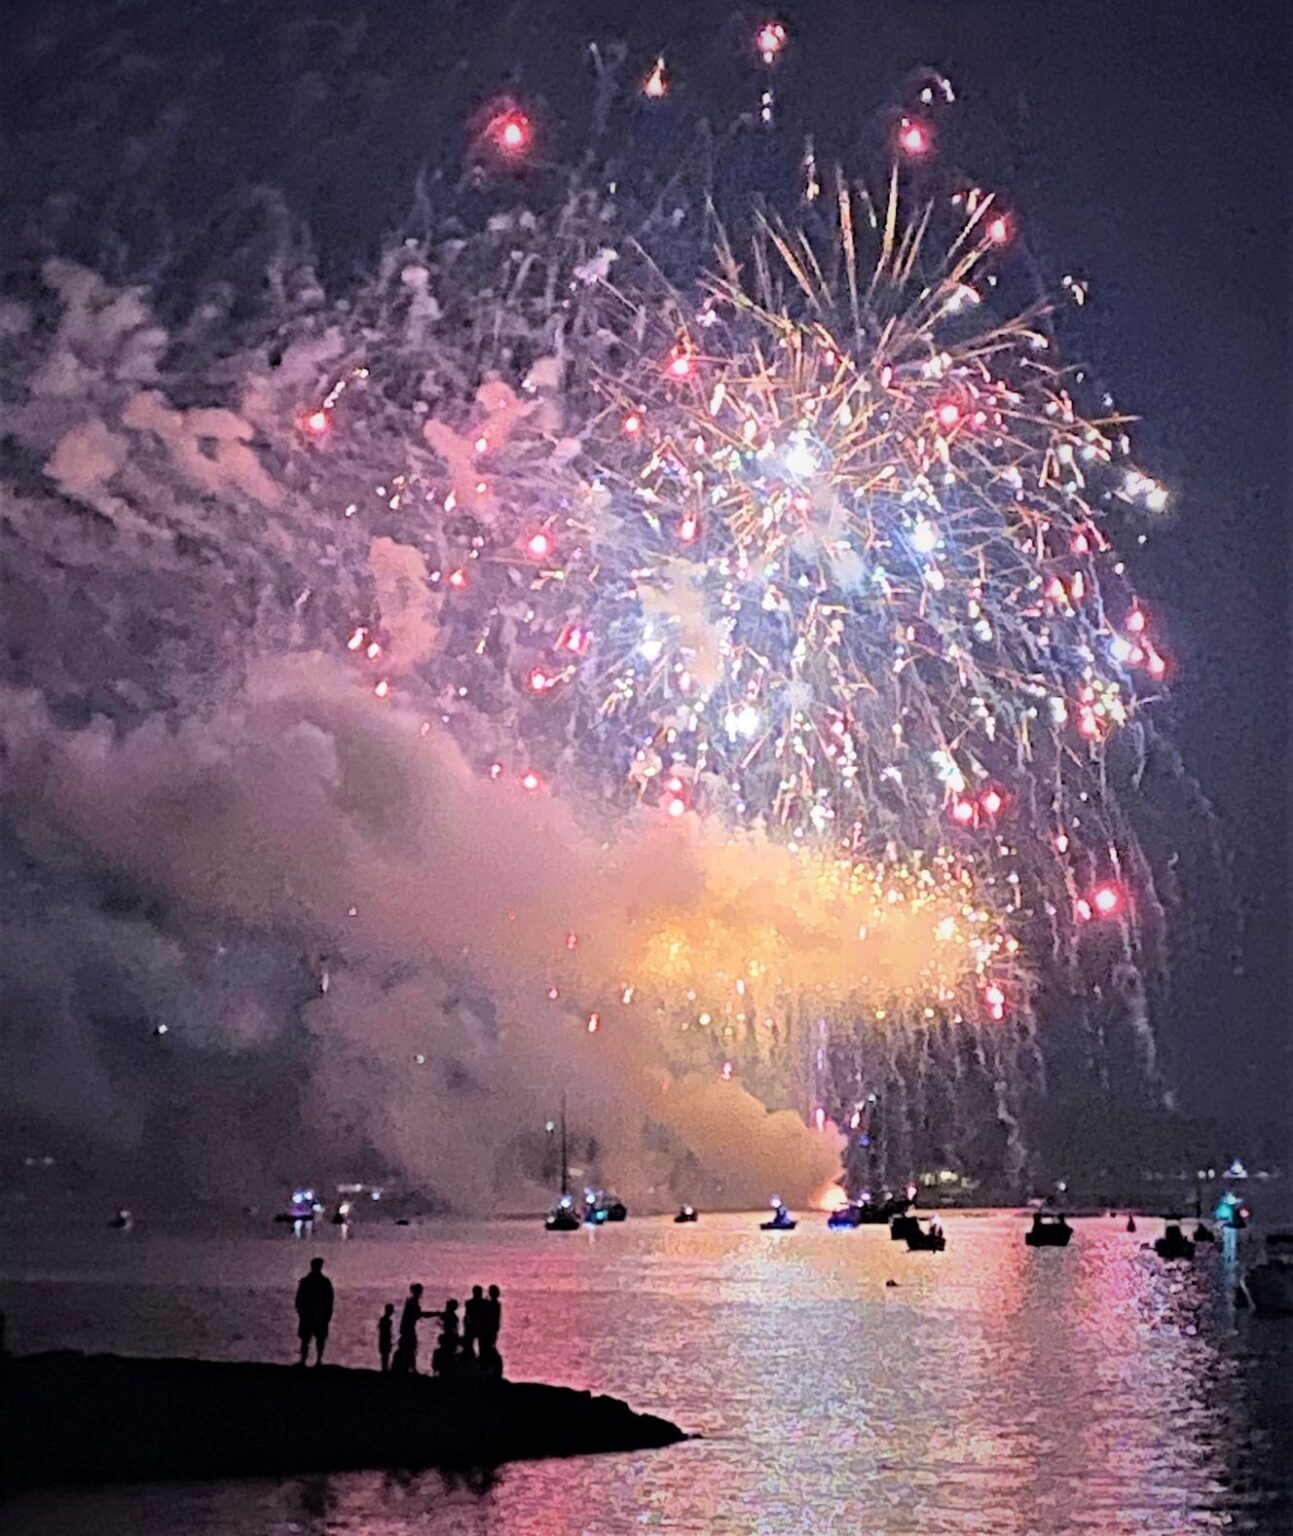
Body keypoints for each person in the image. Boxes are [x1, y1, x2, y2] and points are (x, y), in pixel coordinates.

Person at [294, 1257, 334, 1367]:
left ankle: (308, 1360)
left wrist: (300, 1309)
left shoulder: (308, 1281)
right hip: (315, 1313)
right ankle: (315, 1360)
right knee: (312, 1338)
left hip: (313, 1313)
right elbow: (329, 1300)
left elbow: (299, 1298)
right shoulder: (323, 1282)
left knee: (309, 1338)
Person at [393, 1283, 431, 1374]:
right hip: (408, 1329)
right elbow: (421, 1315)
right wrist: (437, 1314)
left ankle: (408, 1367)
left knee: (408, 1348)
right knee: (410, 1348)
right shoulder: (413, 1303)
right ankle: (409, 1367)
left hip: (407, 1328)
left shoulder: (411, 1302)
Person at [480, 1284, 503, 1377]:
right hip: (492, 1329)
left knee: (486, 1347)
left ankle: (485, 1367)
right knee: (488, 1347)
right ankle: (488, 1367)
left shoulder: (492, 1304)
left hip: (488, 1330)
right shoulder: (496, 1304)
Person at [463, 1285, 486, 1360]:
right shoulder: (484, 1303)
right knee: (481, 1345)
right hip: (480, 1326)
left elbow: (467, 1316)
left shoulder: (469, 1303)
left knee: (471, 1343)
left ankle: (471, 1356)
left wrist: (466, 1325)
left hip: (472, 1325)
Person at [377, 1302, 394, 1372]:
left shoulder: (382, 1320)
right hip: (385, 1341)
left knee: (384, 1357)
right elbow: (387, 1333)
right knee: (385, 1356)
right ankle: (385, 1370)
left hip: (382, 1340)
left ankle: (385, 1369)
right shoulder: (388, 1321)